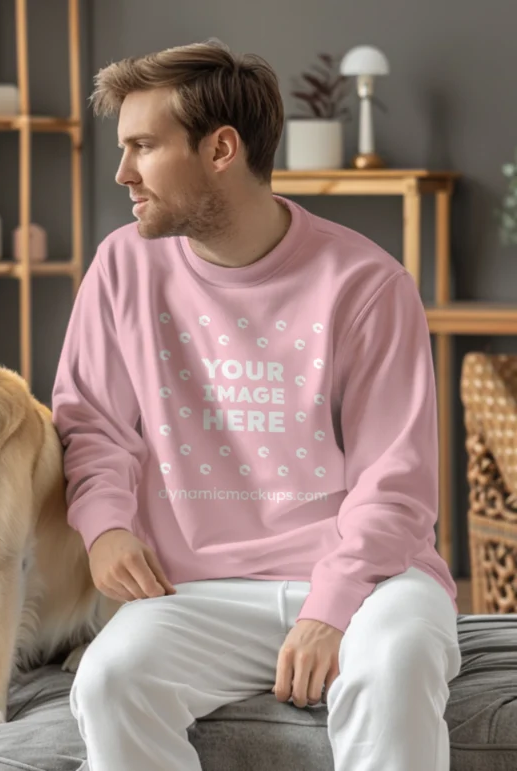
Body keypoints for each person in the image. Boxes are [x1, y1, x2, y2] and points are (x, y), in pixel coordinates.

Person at [51, 39, 461, 771]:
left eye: (143, 146)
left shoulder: (366, 283)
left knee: (393, 667)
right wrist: (105, 525)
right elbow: (92, 422)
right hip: (199, 588)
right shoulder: (121, 265)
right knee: (110, 680)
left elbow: (394, 482)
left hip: (372, 580)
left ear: (221, 149)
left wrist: (327, 610)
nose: (122, 173)